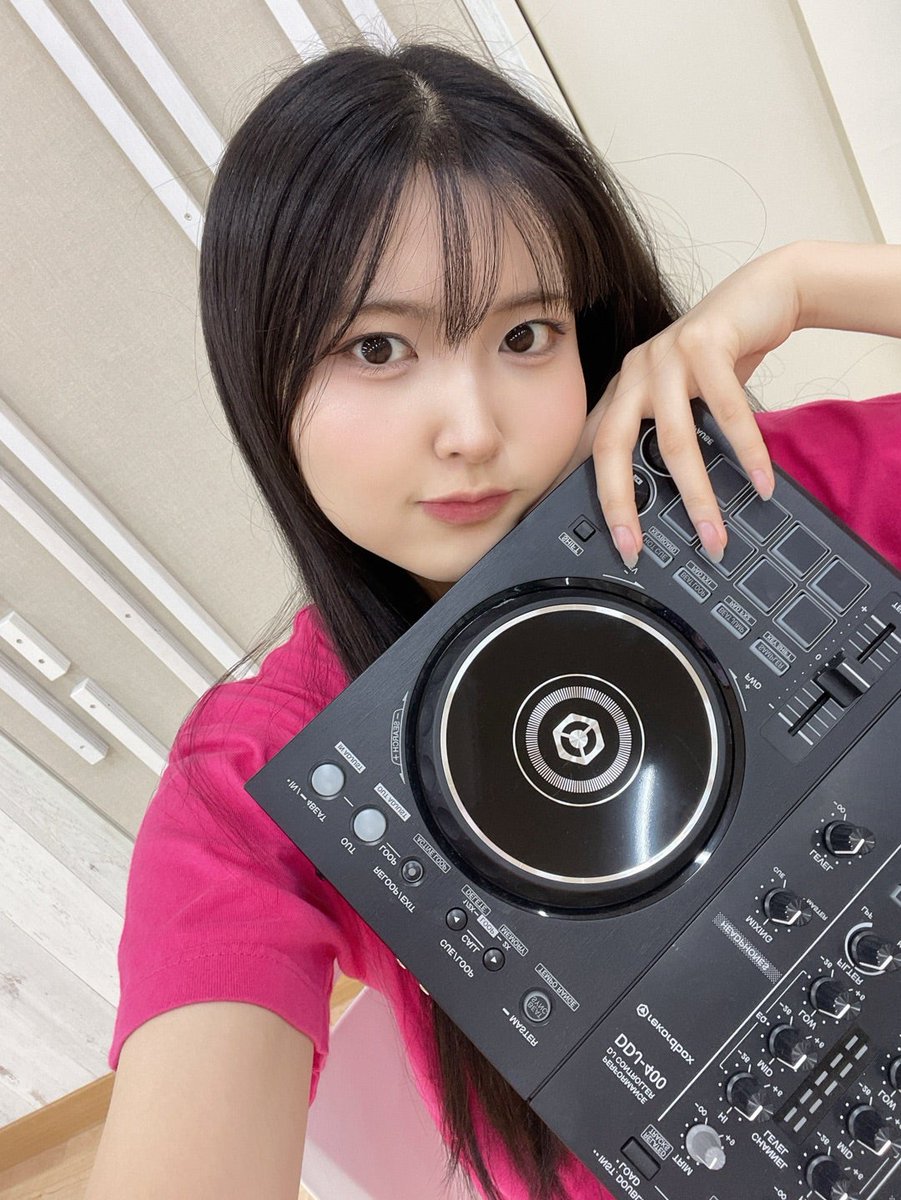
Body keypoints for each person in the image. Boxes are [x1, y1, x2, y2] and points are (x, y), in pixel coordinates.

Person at [84, 40, 901, 1200]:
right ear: (264, 375)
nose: (470, 429)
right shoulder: (255, 779)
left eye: (524, 336)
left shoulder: (771, 496)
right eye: (377, 347)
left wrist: (810, 283)